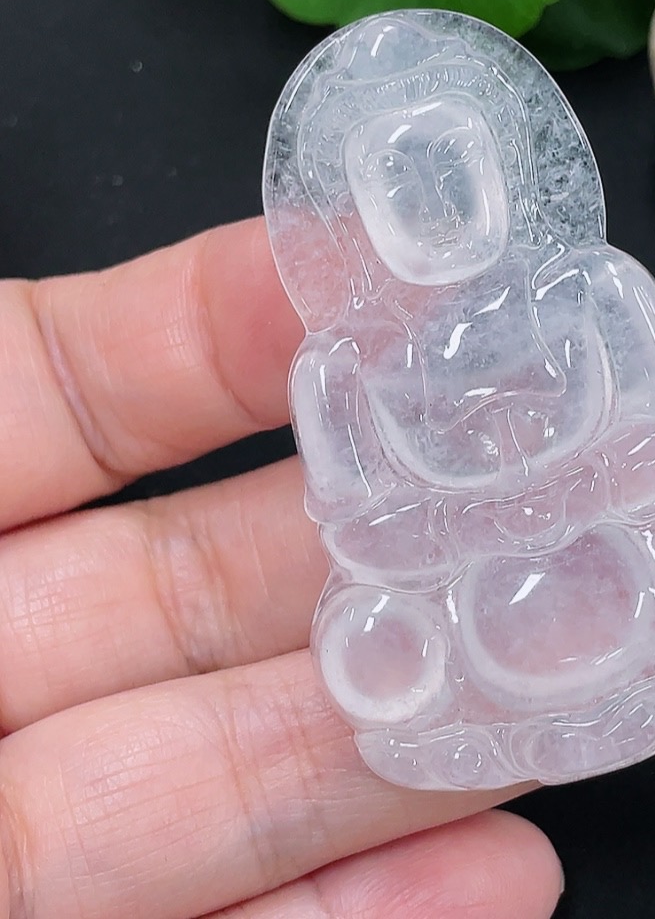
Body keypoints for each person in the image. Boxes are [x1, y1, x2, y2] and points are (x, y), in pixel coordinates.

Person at [0, 217, 565, 919]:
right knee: (378, 634)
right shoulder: (335, 368)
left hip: (579, 516)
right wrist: (438, 518)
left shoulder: (582, 289)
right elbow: (353, 510)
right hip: (432, 555)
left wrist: (570, 480)